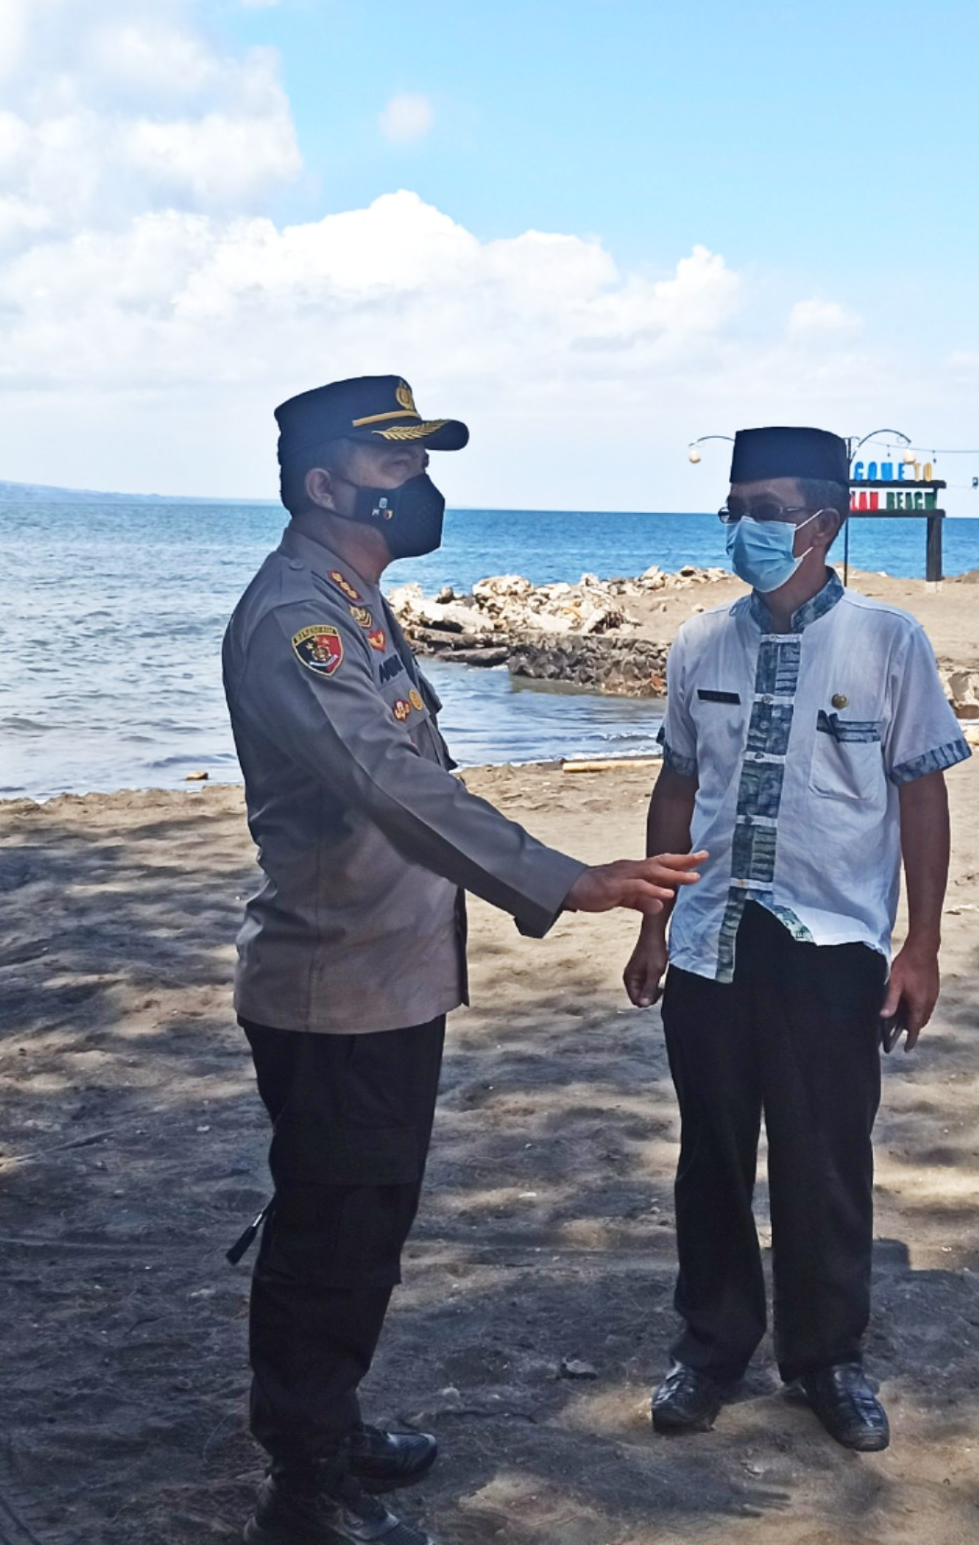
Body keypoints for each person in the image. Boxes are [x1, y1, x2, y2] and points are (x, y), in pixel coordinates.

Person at [220, 375, 707, 1545]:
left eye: (422, 461)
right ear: (324, 483)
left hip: (383, 976)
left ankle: (329, 1425)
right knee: (330, 1239)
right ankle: (305, 1484)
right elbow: (392, 787)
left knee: (364, 1224)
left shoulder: (352, 598)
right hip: (333, 985)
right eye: (396, 467)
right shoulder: (302, 618)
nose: (422, 486)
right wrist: (564, 879)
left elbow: (410, 779)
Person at [622, 426, 967, 1452]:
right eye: (735, 507)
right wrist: (653, 923)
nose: (746, 528)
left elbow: (921, 794)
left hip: (831, 947)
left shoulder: (888, 642)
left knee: (823, 1159)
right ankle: (712, 1344)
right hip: (710, 942)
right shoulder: (698, 644)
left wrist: (922, 946)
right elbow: (677, 785)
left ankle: (826, 1360)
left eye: (767, 509)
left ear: (825, 522)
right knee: (711, 1155)